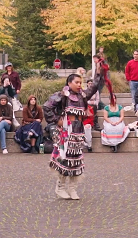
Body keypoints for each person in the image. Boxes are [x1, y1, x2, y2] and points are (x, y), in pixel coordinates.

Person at [44, 62, 109, 200]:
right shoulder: (63, 95)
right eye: (77, 82)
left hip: (78, 132)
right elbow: (47, 107)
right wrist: (57, 120)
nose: (80, 84)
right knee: (65, 159)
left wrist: (98, 72)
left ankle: (73, 189)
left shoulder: (82, 95)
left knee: (76, 161)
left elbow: (94, 87)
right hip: (66, 132)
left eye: (81, 82)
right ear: (69, 83)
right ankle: (60, 187)